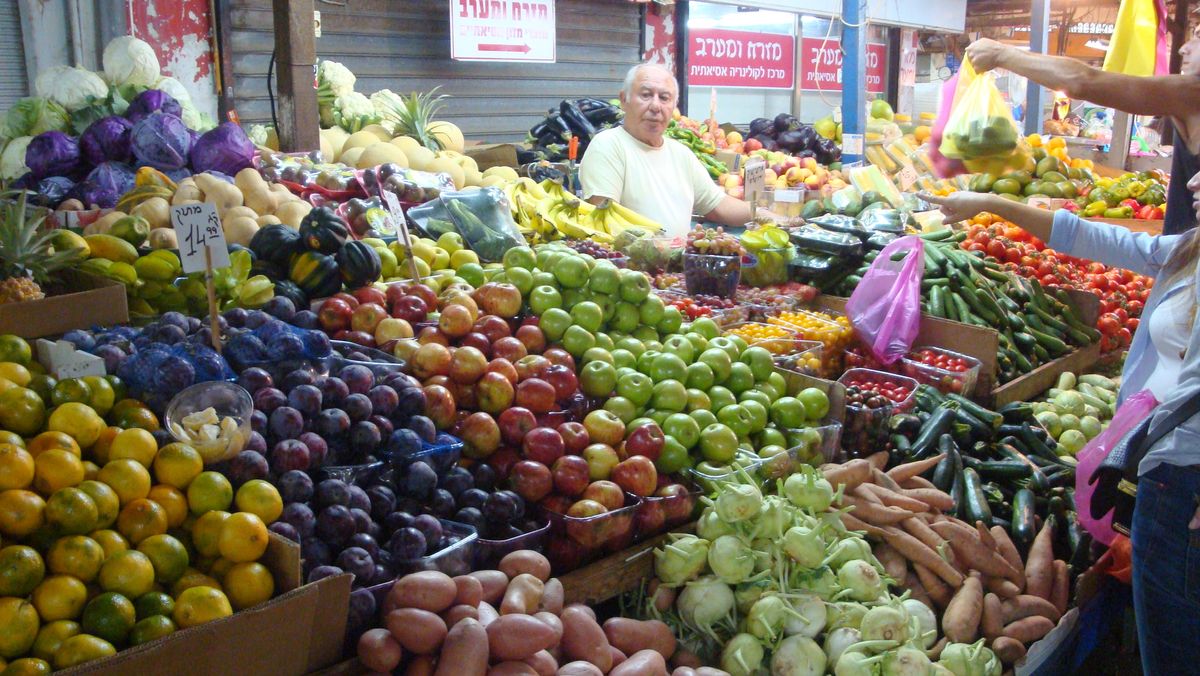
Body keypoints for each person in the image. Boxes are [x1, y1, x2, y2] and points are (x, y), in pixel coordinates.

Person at [921, 187, 1200, 672]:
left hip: (1187, 483)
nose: (1193, 183)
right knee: (1164, 626)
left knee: (1178, 648)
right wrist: (992, 202)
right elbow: (1097, 237)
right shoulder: (1191, 248)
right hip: (1162, 462)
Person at [965, 30, 1200, 235]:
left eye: (1198, 36)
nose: (1183, 48)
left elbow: (1082, 81)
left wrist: (1001, 54)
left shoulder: (1192, 95)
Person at [579, 63, 757, 238]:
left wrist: (764, 215)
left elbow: (719, 205)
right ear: (624, 100)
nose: (656, 106)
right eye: (646, 95)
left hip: (676, 264)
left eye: (664, 98)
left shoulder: (681, 154)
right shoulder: (608, 145)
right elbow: (604, 219)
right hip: (630, 265)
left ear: (674, 106)